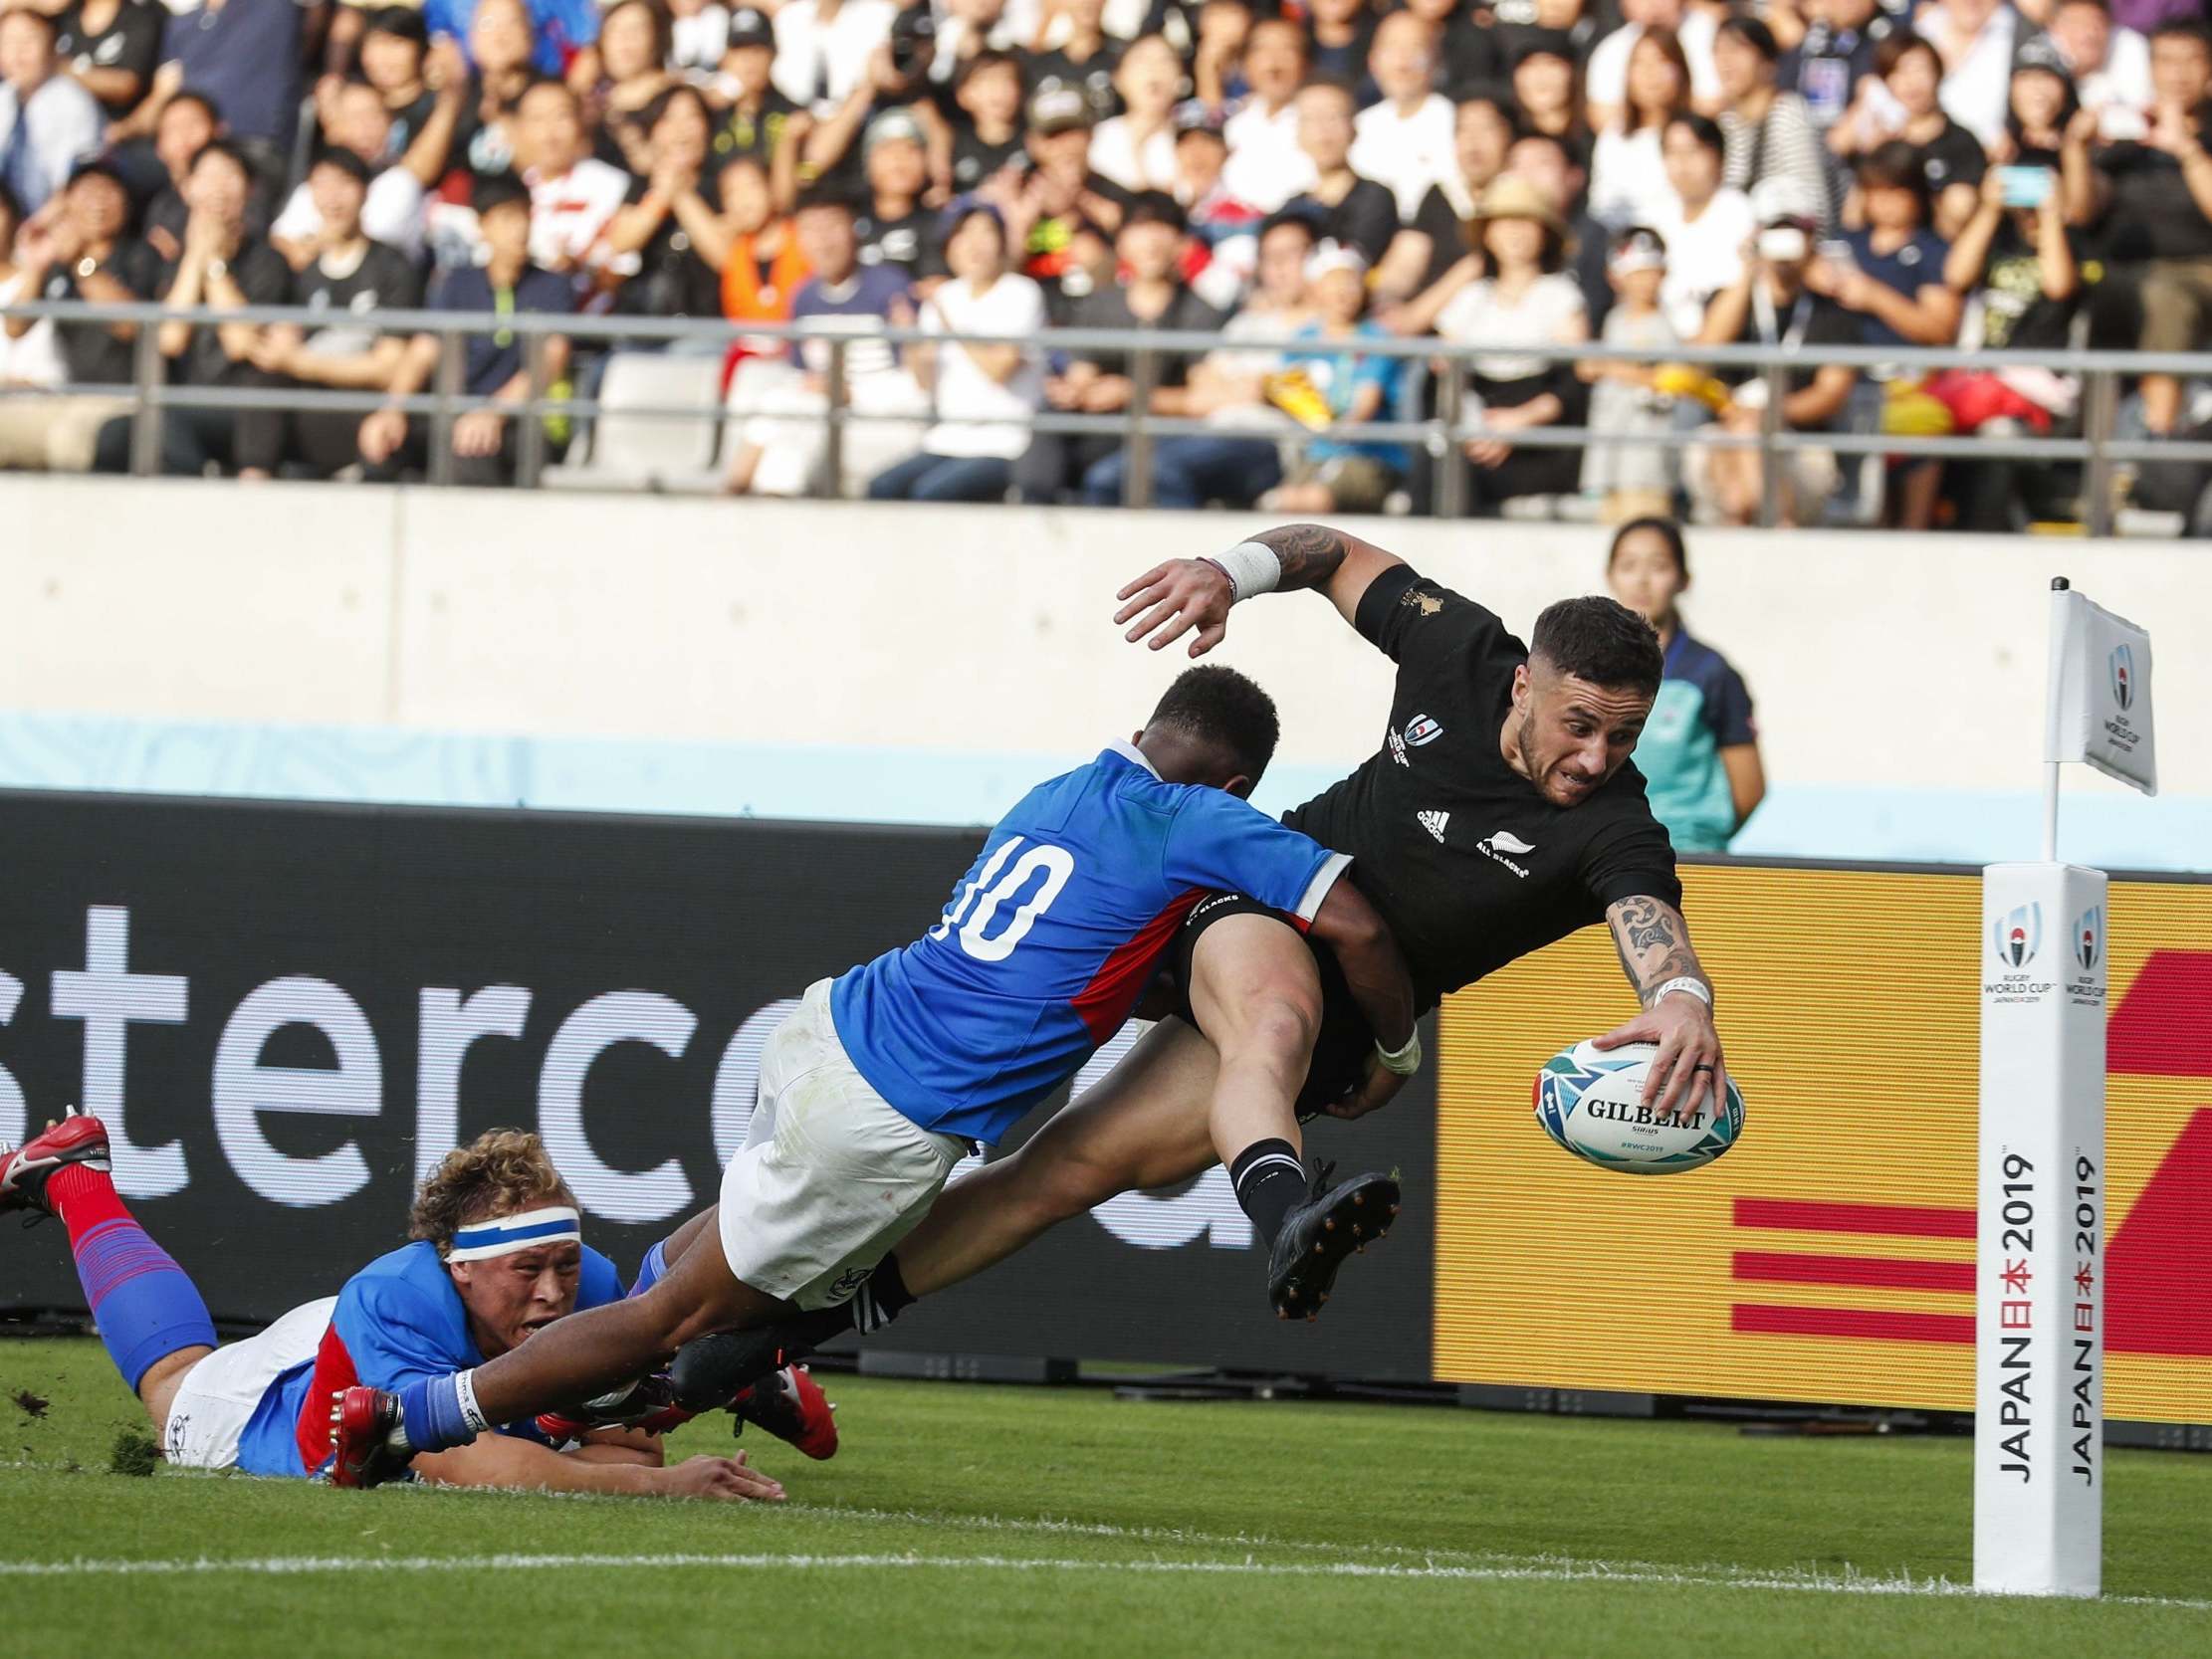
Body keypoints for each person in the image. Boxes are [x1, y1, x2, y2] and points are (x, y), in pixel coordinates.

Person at [681, 520, 1732, 1404]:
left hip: (1348, 1017)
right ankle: (1285, 1215)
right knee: (1273, 1012)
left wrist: (1680, 998)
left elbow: (1650, 921)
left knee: (1058, 1175)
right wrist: (1225, 571)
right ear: (1521, 685)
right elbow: (1327, 551)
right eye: (1577, 725)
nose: (1593, 758)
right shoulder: (1457, 648)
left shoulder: (1614, 826)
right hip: (1267, 906)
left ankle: (763, 1339)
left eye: (1620, 738)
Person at [331, 666, 1421, 1485]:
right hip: (882, 1119)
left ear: (1144, 731)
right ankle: (417, 1412)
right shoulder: (1201, 818)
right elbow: (1361, 929)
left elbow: (1079, 966)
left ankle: (675, 1381)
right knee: (674, 1315)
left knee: (720, 1267)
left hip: (830, 1026)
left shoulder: (1064, 788)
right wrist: (1390, 1053)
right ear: (1234, 784)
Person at [0, 1116, 805, 1496]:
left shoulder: (584, 1279)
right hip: (281, 1399)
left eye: (564, 1263)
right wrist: (653, 1488)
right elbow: (463, 1459)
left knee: (595, 1403)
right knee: (174, 1384)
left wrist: (612, 1440)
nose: (556, 1291)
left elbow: (631, 1452)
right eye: (528, 1269)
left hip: (407, 1361)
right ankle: (75, 1175)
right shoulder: (398, 1297)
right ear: (459, 1267)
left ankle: (730, 1374)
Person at [357, 171, 574, 486]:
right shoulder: (457, 283)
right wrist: (393, 410)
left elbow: (551, 361)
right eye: (505, 218)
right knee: (381, 446)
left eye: (523, 217)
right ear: (481, 227)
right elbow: (424, 350)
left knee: (473, 448)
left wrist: (494, 412)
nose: (519, 229)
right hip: (455, 414)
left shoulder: (552, 286)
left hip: (520, 423)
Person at [91, 139, 292, 479]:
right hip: (183, 399)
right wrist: (195, 258)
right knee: (113, 435)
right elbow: (170, 339)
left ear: (249, 190)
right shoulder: (171, 262)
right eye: (208, 177)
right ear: (187, 189)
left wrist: (212, 263)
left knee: (164, 424)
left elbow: (240, 342)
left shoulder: (267, 260)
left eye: (230, 177)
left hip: (242, 410)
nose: (219, 189)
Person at [1022, 191, 1227, 506]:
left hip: (1162, 434)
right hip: (1103, 427)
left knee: (1107, 475)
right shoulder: (1100, 304)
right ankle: (1033, 513)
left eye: (1162, 228)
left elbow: (1205, 399)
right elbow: (1083, 374)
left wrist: (1132, 393)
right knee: (1050, 420)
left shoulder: (1199, 311)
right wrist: (1075, 392)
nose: (1151, 241)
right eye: (1140, 229)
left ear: (1182, 241)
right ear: (1121, 241)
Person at [2063, 18, 2212, 440]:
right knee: (2088, 287)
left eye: (2191, 61)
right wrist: (2076, 149)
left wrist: (2187, 149)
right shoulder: (2128, 128)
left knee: (2166, 294)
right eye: (2166, 61)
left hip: (2196, 272)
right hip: (2122, 270)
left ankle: (2154, 441)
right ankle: (2083, 443)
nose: (2178, 74)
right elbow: (2083, 210)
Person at [725, 187, 923, 497]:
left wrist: (847, 391)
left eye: (832, 225)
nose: (823, 240)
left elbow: (914, 379)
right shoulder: (804, 296)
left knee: (791, 439)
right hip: (819, 407)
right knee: (779, 420)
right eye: (811, 229)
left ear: (853, 230)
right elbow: (803, 374)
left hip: (875, 411)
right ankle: (734, 495)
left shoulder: (890, 286)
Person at [246, 148, 425, 479]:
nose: (333, 197)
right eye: (321, 185)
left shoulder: (391, 267)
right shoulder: (303, 271)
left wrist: (302, 363)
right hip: (309, 409)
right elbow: (277, 345)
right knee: (262, 383)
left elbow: (390, 366)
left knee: (384, 440)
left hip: (365, 411)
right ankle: (253, 482)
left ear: (366, 192)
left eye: (344, 183)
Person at [1685, 213, 1861, 524]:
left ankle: (1760, 522)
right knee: (1739, 444)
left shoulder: (1832, 314)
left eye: (1794, 242)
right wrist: (1747, 274)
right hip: (1726, 433)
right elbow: (1706, 348)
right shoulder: (1730, 301)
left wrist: (1770, 414)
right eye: (1774, 240)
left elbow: (1832, 392)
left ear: (1811, 249)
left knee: (1741, 472)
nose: (1784, 254)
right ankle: (1779, 523)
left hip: (1798, 444)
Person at [1435, 173, 1592, 515]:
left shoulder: (1561, 296)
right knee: (1441, 465)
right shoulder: (1471, 298)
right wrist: (1479, 427)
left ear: (1544, 232)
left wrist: (1520, 422)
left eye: (1525, 221)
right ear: (1488, 233)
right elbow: (1444, 371)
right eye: (1504, 222)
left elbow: (1572, 381)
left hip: (1539, 438)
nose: (1514, 232)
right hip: (1476, 428)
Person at [1604, 518, 1764, 851]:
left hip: (1689, 857)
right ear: (1610, 576)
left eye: (1659, 566)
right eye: (1628, 565)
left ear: (1683, 579)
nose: (1642, 581)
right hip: (1609, 851)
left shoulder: (1712, 673)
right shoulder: (1588, 669)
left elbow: (1749, 789)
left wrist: (1697, 833)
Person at [866, 197, 1039, 502]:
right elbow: (924, 381)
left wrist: (951, 323)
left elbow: (999, 369)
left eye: (986, 233)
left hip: (1005, 442)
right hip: (947, 439)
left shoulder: (1021, 292)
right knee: (881, 487)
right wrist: (910, 340)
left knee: (930, 494)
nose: (975, 244)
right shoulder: (947, 295)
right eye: (963, 234)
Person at [0, 158, 151, 471]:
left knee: (68, 438)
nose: (98, 202)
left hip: (122, 401)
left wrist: (82, 265)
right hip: (61, 400)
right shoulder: (56, 266)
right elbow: (15, 325)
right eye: (87, 193)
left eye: (108, 192)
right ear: (66, 204)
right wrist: (37, 267)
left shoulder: (141, 254)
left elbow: (131, 327)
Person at [1260, 241, 1408, 516]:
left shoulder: (1376, 338)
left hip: (1370, 456)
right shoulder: (1303, 339)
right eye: (1333, 282)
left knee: (1315, 500)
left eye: (1350, 282)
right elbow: (1288, 392)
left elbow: (1367, 398)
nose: (1342, 292)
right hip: (1317, 453)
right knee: (1282, 501)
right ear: (1315, 287)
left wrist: (1345, 426)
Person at [1831, 32, 1983, 239]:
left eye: (1919, 70)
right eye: (1898, 72)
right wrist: (1871, 164)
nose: (1910, 82)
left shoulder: (1961, 142)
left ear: (1938, 73)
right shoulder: (1884, 145)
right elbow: (1853, 219)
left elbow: (1959, 216)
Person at [1580, 226, 1682, 508]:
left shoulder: (1665, 324)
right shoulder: (1613, 320)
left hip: (1647, 447)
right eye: (1636, 274)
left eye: (1651, 272)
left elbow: (1671, 378)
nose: (1645, 282)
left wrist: (1611, 369)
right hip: (1608, 442)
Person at [1713, 14, 1834, 227]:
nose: (1726, 61)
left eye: (1737, 50)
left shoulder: (1788, 112)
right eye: (1719, 51)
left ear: (1767, 61)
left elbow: (1815, 204)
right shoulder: (1725, 123)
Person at [1649, 112, 1755, 336]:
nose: (1682, 164)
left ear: (1719, 157)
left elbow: (1736, 291)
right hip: (1659, 342)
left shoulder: (1738, 212)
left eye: (1693, 151)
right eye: (1672, 153)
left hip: (1719, 352)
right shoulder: (1655, 215)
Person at [1351, 11, 1454, 220]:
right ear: (1372, 61)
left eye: (1415, 49)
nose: (1402, 62)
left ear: (1435, 59)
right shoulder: (1358, 126)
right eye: (1391, 49)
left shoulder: (1455, 121)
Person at [0, 4, 103, 215]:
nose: (18, 52)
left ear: (52, 46)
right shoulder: (3, 98)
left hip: (54, 219)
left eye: (29, 40)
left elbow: (73, 184)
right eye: (8, 42)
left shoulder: (73, 102)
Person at [1590, 25, 1694, 230]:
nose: (1650, 73)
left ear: (1681, 70)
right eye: (1639, 63)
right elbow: (1601, 205)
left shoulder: (1695, 133)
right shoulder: (1613, 136)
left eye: (1661, 61)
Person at [1219, 16, 1311, 211]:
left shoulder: (1318, 122)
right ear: (1244, 65)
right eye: (1261, 49)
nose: (1273, 63)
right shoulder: (1233, 126)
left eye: (1287, 49)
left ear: (1306, 62)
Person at [1088, 31, 1181, 193]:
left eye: (1165, 61)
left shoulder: (1192, 139)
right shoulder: (1100, 137)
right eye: (1141, 60)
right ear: (1118, 79)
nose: (1154, 69)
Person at [49, 0, 163, 122]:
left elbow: (125, 85)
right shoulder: (63, 15)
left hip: (110, 127)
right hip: (54, 121)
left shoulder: (140, 17)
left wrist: (63, 69)